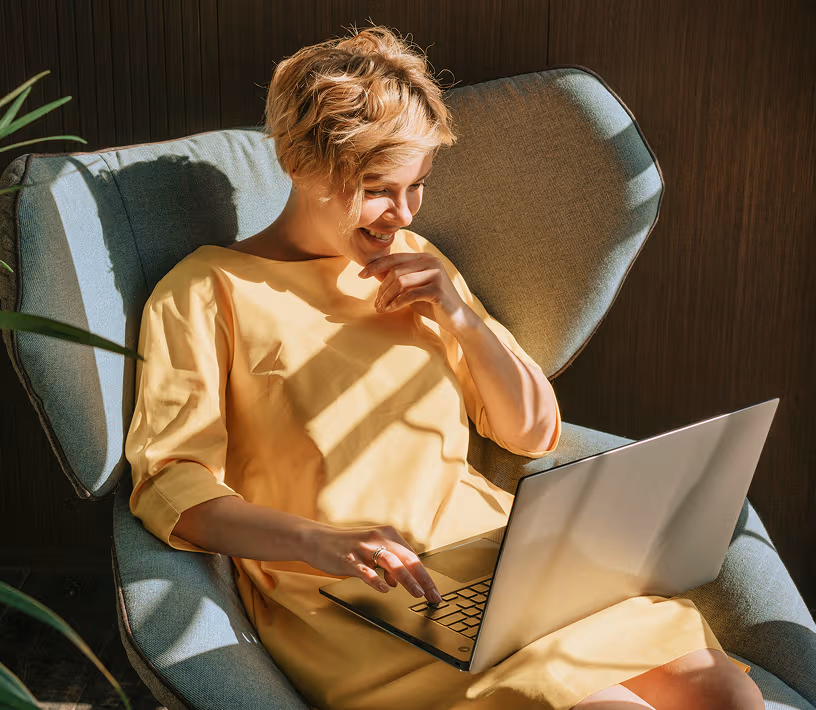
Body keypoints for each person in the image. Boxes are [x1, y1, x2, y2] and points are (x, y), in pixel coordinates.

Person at [126, 25, 765, 710]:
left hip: (501, 565)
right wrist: (320, 542)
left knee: (721, 687)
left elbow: (528, 432)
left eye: (418, 185)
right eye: (376, 188)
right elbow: (173, 483)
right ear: (301, 163)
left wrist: (458, 313)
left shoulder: (420, 264)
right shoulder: (204, 291)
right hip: (354, 600)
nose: (401, 213)